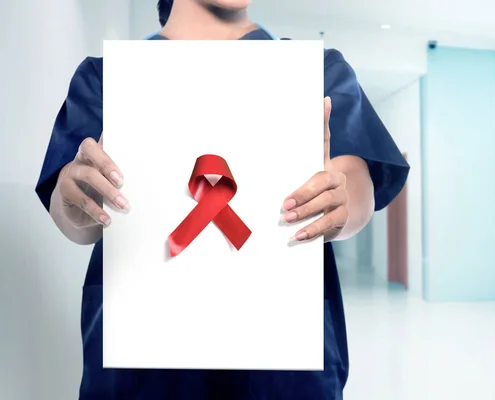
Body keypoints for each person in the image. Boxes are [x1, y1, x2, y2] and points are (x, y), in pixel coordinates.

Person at [35, 0, 409, 398]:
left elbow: (355, 177)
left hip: (281, 361)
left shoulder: (316, 71)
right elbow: (73, 212)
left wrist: (341, 199)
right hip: (141, 364)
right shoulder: (105, 78)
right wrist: (75, 203)